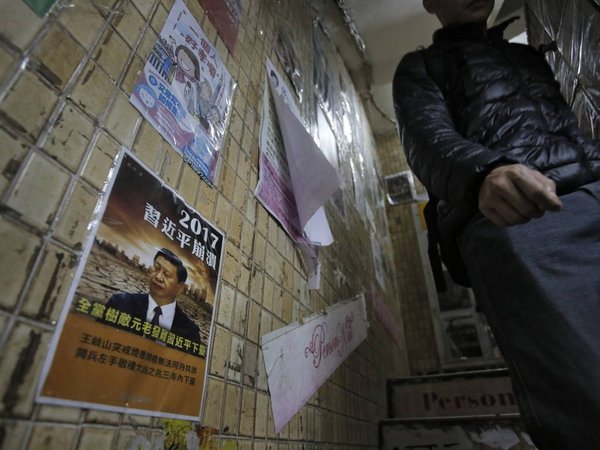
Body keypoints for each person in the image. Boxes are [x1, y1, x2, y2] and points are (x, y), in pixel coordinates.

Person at [392, 1, 600, 448]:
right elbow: (426, 137)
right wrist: (483, 173)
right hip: (517, 214)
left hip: (592, 190)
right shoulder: (421, 66)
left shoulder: (529, 56)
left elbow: (570, 125)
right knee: (586, 385)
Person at [106, 248, 200, 343]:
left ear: (179, 287)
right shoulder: (120, 303)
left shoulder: (190, 332)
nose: (158, 277)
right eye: (156, 268)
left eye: (166, 274)